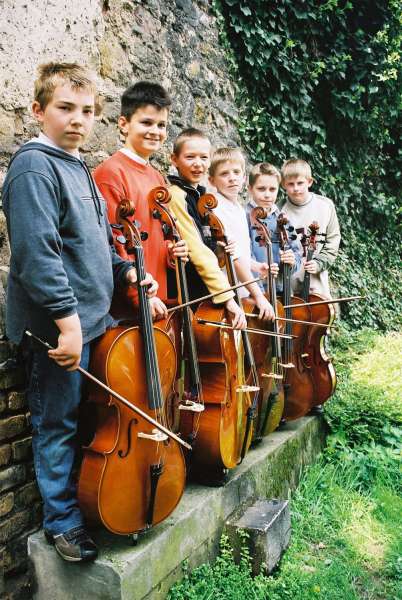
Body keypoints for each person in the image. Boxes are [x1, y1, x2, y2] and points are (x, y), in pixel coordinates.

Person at [2, 62, 158, 563]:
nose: (78, 120)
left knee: (93, 422)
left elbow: (94, 243)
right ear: (37, 111)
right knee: (58, 424)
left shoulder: (78, 166)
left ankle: (93, 502)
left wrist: (127, 272)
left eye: (87, 111)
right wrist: (68, 325)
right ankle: (62, 525)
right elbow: (37, 254)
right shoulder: (33, 167)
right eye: (65, 108)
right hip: (57, 330)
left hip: (93, 322)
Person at [93, 81, 188, 320]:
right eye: (146, 122)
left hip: (159, 301)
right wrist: (140, 295)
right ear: (124, 124)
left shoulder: (157, 176)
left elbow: (158, 238)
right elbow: (114, 245)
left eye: (161, 125)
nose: (155, 131)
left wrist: (173, 252)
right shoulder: (111, 173)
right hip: (130, 306)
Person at [167, 128, 246, 328]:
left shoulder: (199, 195)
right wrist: (228, 298)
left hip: (205, 287)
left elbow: (206, 244)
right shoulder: (177, 195)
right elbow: (197, 250)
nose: (198, 164)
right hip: (191, 287)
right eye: (190, 157)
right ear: (174, 159)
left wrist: (219, 250)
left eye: (204, 157)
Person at [208, 148, 275, 320]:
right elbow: (233, 258)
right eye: (224, 174)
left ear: (244, 177)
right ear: (212, 180)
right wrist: (258, 295)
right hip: (229, 288)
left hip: (242, 286)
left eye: (236, 172)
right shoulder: (217, 208)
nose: (232, 178)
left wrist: (255, 266)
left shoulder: (238, 207)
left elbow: (241, 253)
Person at [281, 158, 341, 299]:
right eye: (291, 184)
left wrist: (319, 262)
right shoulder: (279, 210)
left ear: (309, 182)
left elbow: (333, 241)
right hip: (287, 283)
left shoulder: (325, 206)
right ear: (284, 185)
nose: (296, 188)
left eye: (300, 183)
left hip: (315, 281)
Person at [246, 162, 302, 295]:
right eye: (261, 189)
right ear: (250, 188)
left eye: (272, 189)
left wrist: (292, 261)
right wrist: (258, 292)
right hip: (256, 292)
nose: (267, 195)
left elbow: (297, 253)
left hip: (283, 291)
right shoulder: (245, 217)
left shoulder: (282, 219)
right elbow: (245, 257)